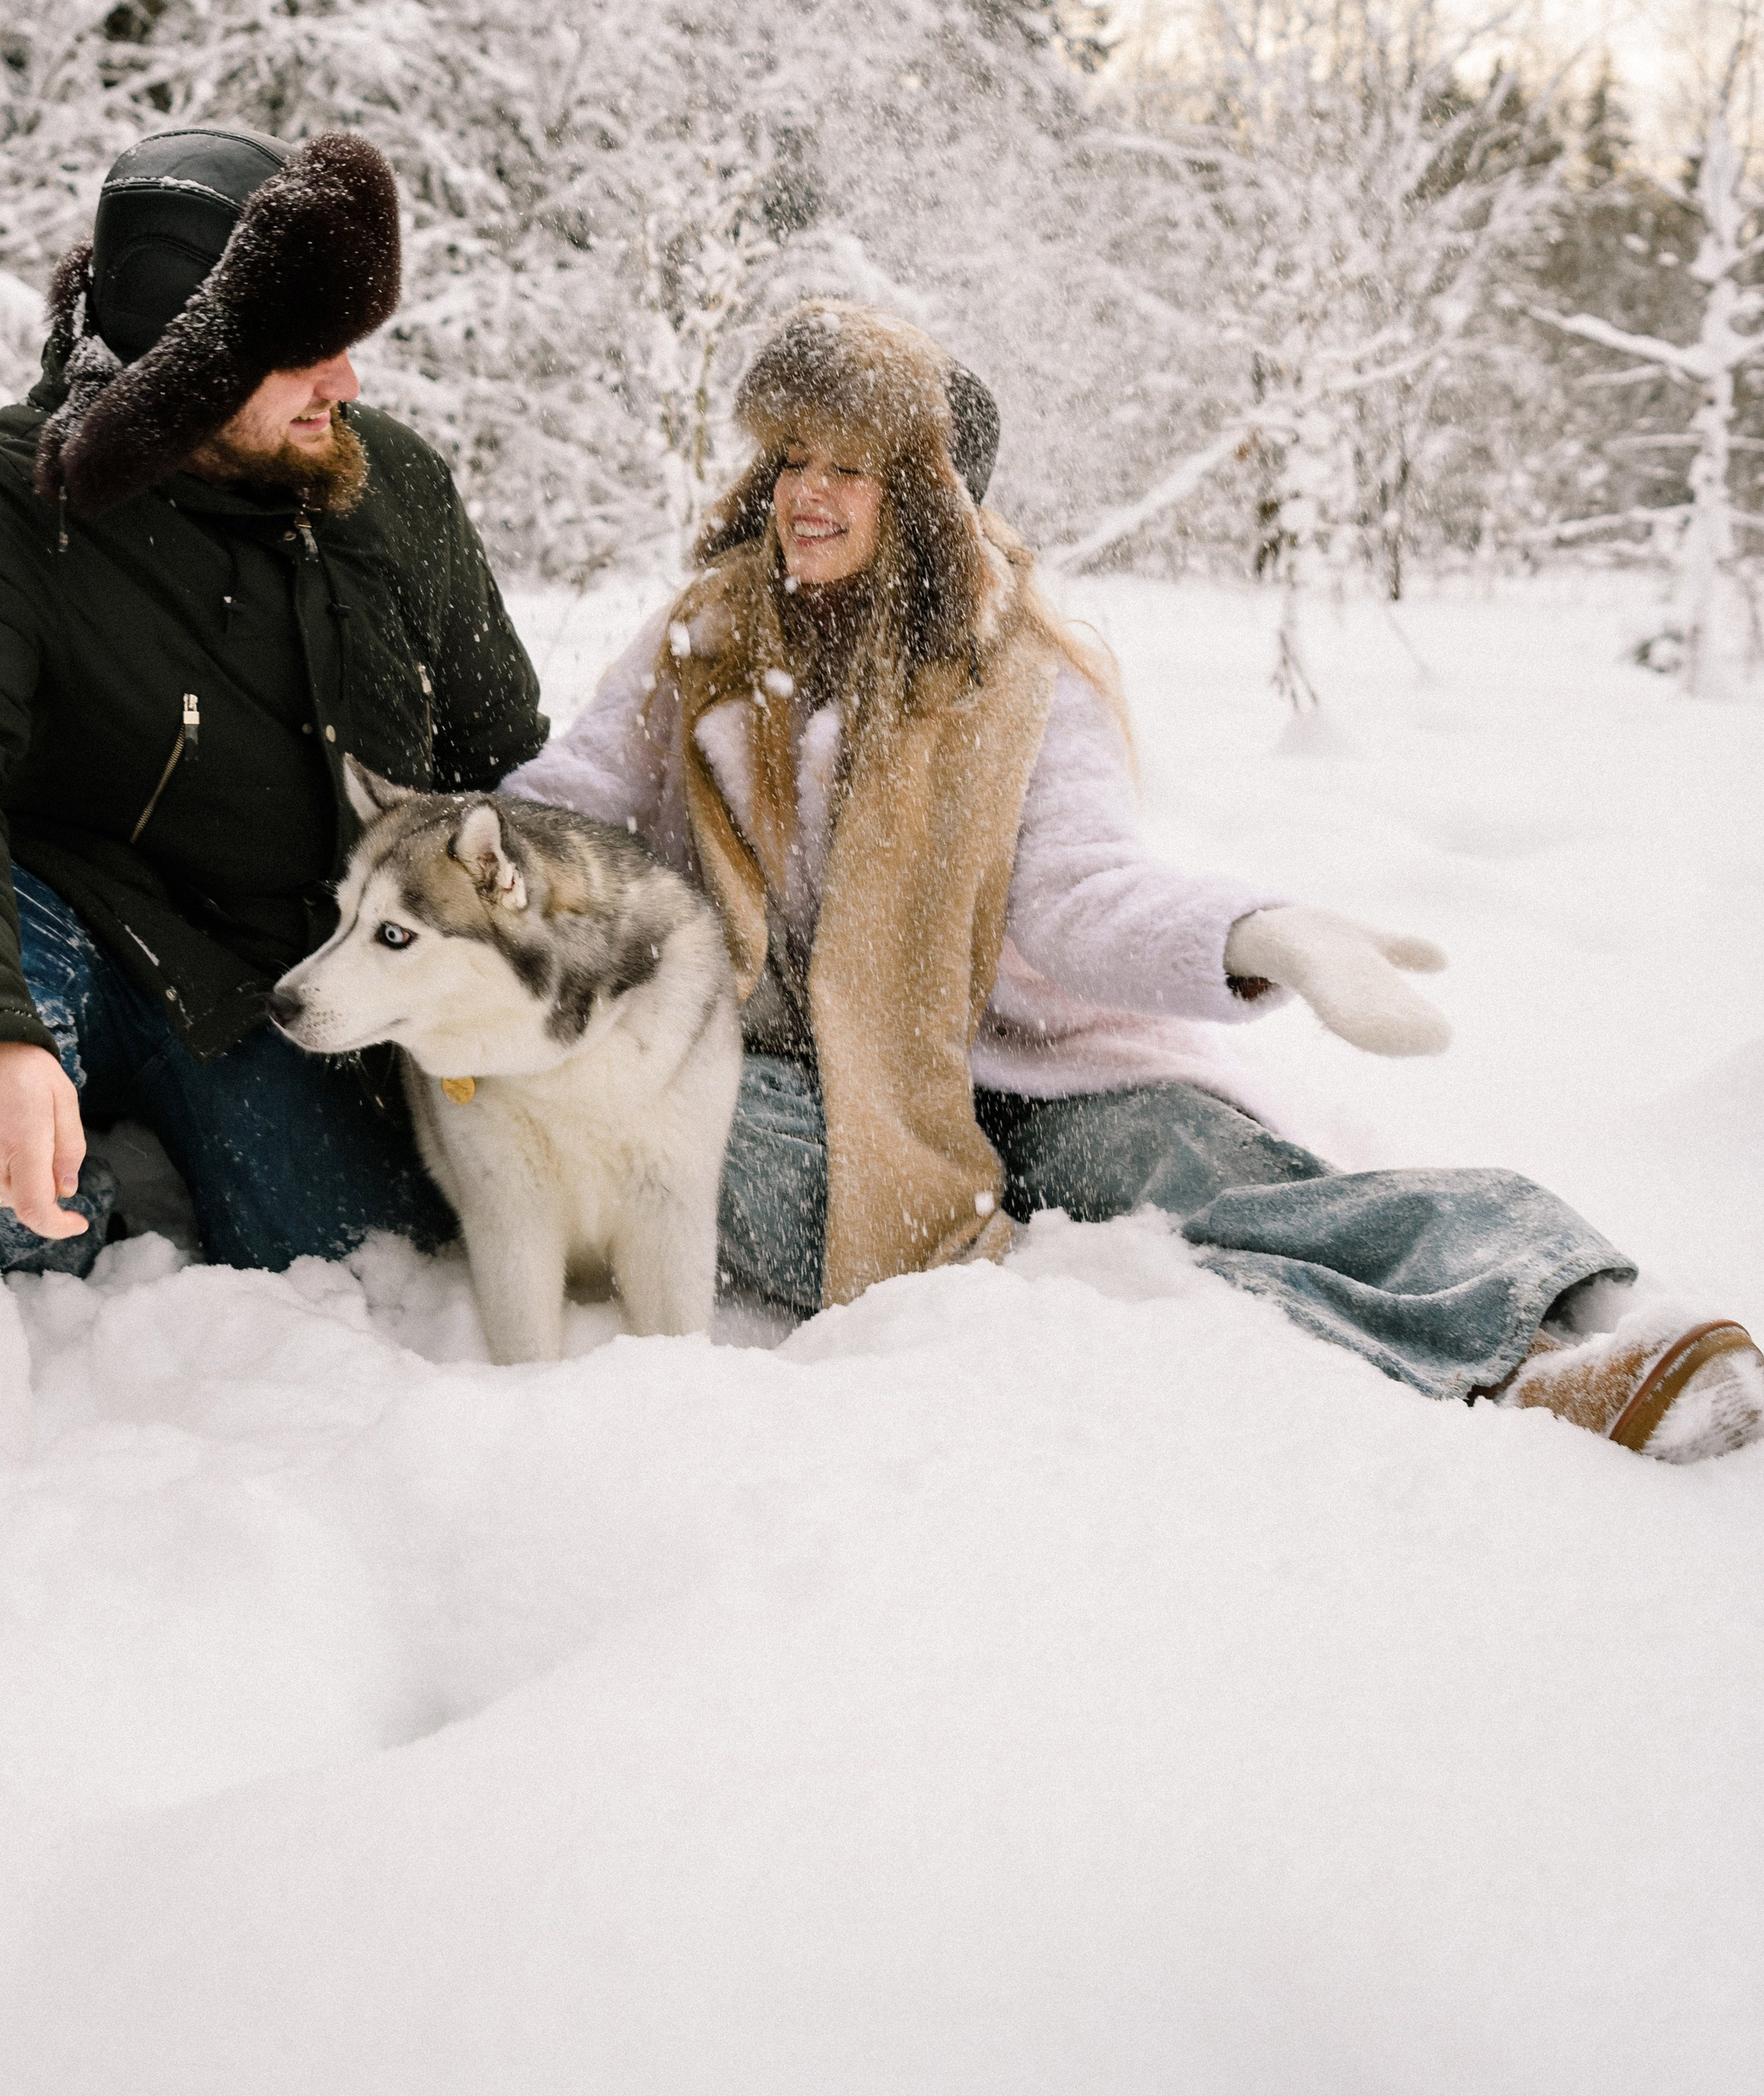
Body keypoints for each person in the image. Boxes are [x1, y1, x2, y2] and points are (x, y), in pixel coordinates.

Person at [506, 298, 1764, 1464]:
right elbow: (572, 801)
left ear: (923, 499)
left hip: (1020, 1065)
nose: (806, 497)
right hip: (803, 1077)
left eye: (847, 468)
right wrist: (467, 869)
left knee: (1195, 1172)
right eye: (791, 459)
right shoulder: (704, 637)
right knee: (690, 1127)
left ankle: (1571, 1328)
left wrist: (1263, 936)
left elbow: (1082, 891)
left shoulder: (1021, 679)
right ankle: (1471, 1359)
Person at [0, 127, 546, 1278]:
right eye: (304, 352)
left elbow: (506, 765)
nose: (346, 381)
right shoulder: (3, 498)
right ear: (185, 367)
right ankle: (36, 1208)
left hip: (293, 995)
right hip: (91, 933)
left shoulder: (392, 482)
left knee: (349, 1262)